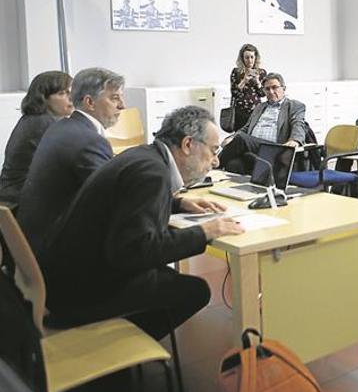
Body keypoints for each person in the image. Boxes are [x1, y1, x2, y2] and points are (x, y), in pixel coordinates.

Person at [39, 106, 244, 340]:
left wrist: (176, 204)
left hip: (61, 278)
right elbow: (134, 251)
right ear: (188, 144)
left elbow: (127, 203)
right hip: (81, 292)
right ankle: (113, 344)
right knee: (196, 291)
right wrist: (205, 231)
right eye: (213, 150)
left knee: (165, 278)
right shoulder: (152, 174)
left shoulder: (144, 157)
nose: (216, 162)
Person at [16, 68, 126, 258]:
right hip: (58, 257)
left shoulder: (63, 127)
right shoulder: (87, 140)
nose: (122, 106)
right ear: (89, 102)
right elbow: (117, 197)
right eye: (114, 98)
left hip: (35, 248)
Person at [0, 71, 74, 205]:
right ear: (43, 98)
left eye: (71, 92)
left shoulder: (33, 119)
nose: (71, 98)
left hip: (13, 197)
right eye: (62, 93)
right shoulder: (44, 123)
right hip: (21, 202)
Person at [219, 72, 306, 174]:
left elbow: (298, 124)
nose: (271, 91)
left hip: (274, 149)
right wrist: (232, 137)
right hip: (253, 150)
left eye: (275, 87)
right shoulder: (259, 107)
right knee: (233, 164)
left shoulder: (294, 106)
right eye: (267, 89)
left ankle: (212, 165)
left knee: (241, 139)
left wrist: (295, 140)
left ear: (284, 88)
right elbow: (246, 128)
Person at [229, 44, 267, 131]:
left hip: (256, 111)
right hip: (240, 111)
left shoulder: (261, 72)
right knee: (240, 136)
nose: (249, 60)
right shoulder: (237, 72)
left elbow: (263, 94)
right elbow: (234, 93)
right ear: (242, 58)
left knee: (254, 134)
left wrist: (257, 81)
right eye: (246, 57)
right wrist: (244, 81)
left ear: (255, 58)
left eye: (252, 57)